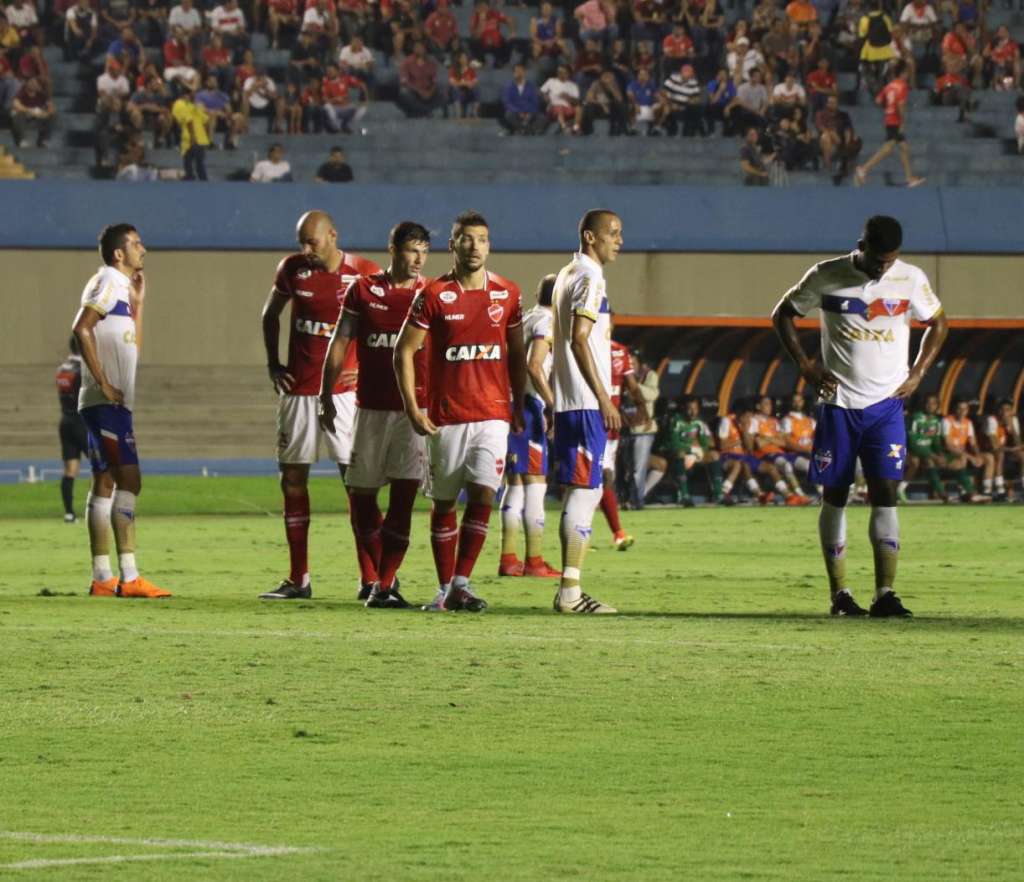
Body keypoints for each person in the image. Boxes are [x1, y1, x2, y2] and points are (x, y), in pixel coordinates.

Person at [772, 215, 949, 617]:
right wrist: (805, 365)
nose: (882, 268)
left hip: (886, 405)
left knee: (886, 494)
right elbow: (782, 314)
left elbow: (938, 322)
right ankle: (840, 595)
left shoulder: (910, 278)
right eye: (876, 260)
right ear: (861, 245)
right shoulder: (826, 274)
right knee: (836, 495)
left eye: (889, 261)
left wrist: (919, 372)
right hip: (839, 404)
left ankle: (885, 593)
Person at [393, 211, 527, 613]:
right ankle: (444, 587)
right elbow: (404, 350)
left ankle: (461, 584)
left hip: (492, 415)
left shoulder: (508, 293)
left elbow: (517, 353)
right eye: (465, 239)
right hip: (446, 417)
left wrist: (519, 402)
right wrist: (412, 408)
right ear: (452, 246)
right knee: (445, 503)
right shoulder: (433, 294)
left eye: (482, 239)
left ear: (490, 245)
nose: (474, 246)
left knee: (485, 493)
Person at [259, 210, 381, 600]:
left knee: (357, 485)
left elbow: (385, 326)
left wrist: (363, 368)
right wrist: (274, 364)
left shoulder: (363, 272)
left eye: (311, 242)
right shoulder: (292, 269)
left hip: (345, 397)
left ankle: (372, 579)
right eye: (301, 242)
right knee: (292, 480)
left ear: (333, 234)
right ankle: (299, 579)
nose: (305, 249)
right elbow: (270, 314)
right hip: (298, 392)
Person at [318, 222, 431, 608]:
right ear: (393, 248)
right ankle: (378, 578)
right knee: (361, 496)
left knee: (402, 500)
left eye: (423, 251)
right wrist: (325, 391)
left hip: (411, 411)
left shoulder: (429, 294)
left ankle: (383, 584)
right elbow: (340, 341)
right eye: (411, 250)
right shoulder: (363, 290)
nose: (418, 259)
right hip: (369, 409)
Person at [70, 225, 170, 599]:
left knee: (106, 482)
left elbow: (131, 346)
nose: (143, 248)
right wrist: (104, 383)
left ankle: (102, 577)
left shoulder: (121, 291)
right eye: (136, 243)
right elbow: (82, 328)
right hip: (107, 404)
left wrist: (139, 304)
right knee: (130, 481)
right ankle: (129, 578)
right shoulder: (108, 280)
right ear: (118, 254)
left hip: (109, 405)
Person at [549, 209, 623, 614]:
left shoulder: (566, 273)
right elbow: (580, 340)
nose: (619, 241)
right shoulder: (591, 277)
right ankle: (570, 593)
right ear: (590, 237)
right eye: (612, 233)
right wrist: (604, 396)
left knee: (587, 488)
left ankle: (570, 589)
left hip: (571, 402)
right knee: (585, 490)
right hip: (583, 402)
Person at [499, 274, 561, 578]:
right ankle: (534, 560)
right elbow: (535, 365)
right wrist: (552, 404)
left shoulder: (524, 317)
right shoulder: (547, 322)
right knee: (536, 483)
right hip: (527, 405)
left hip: (507, 403)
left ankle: (509, 558)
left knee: (516, 483)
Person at [600, 336, 648, 543]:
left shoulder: (620, 350)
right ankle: (611, 532)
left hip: (611, 424)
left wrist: (642, 407)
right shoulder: (581, 342)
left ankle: (616, 533)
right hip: (589, 419)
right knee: (596, 478)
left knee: (605, 476)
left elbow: (631, 384)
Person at [855, 62, 925, 187]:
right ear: (903, 73)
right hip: (895, 120)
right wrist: (902, 121)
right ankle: (864, 169)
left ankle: (910, 178)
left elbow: (878, 100)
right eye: (907, 73)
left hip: (888, 117)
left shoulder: (889, 86)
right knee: (888, 148)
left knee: (904, 148)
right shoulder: (902, 86)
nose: (908, 75)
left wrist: (888, 107)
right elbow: (901, 105)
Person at [644, 395, 722, 506]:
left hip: (691, 454)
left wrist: (699, 451)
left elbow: (705, 443)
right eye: (690, 409)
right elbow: (674, 444)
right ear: (684, 409)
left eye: (695, 409)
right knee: (680, 453)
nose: (692, 412)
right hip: (671, 454)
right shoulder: (675, 420)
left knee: (714, 455)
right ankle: (684, 495)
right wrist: (692, 449)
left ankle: (719, 494)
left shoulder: (699, 422)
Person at [746, 394, 811, 503]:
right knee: (786, 465)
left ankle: (824, 494)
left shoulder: (774, 421)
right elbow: (758, 444)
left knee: (809, 465)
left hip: (781, 453)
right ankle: (799, 494)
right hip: (765, 454)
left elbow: (783, 442)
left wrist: (767, 438)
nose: (770, 406)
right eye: (766, 404)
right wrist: (773, 439)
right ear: (758, 406)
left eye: (770, 404)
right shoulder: (754, 421)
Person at [56, 337, 89, 523]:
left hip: (65, 421)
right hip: (81, 422)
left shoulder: (61, 369)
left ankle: (69, 513)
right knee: (101, 467)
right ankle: (98, 510)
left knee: (70, 469)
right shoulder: (83, 370)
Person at [942, 398, 994, 501]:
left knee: (989, 457)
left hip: (963, 452)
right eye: (959, 408)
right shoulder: (947, 421)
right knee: (962, 458)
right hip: (948, 454)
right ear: (954, 409)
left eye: (965, 409)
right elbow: (948, 445)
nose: (962, 411)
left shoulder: (968, 422)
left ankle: (987, 490)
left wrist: (977, 455)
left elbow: (973, 443)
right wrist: (971, 457)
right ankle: (966, 492)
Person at [900, 392, 946, 501]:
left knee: (945, 461)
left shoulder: (936, 421)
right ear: (923, 404)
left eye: (934, 403)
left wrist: (940, 454)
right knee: (917, 461)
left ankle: (964, 491)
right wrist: (932, 455)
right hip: (908, 450)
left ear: (937, 406)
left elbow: (936, 442)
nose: (930, 406)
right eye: (928, 403)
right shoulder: (916, 418)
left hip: (927, 453)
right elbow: (912, 442)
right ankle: (900, 489)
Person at [171, 77, 209, 181]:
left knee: (193, 165)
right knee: (198, 165)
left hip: (192, 140)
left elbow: (198, 121)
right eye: (193, 93)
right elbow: (192, 121)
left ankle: (194, 180)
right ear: (186, 94)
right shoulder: (182, 104)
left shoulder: (190, 105)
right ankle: (201, 182)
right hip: (196, 139)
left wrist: (193, 137)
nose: (195, 95)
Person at [984, 400, 1022, 502]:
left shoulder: (1013, 420)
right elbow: (994, 445)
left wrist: (1012, 428)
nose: (1004, 413)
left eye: (1007, 410)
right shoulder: (991, 420)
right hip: (988, 449)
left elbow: (1018, 443)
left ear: (1011, 412)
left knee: (1022, 455)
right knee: (999, 454)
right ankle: (1000, 490)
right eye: (1002, 410)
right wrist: (1011, 449)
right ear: (998, 411)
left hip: (1006, 449)